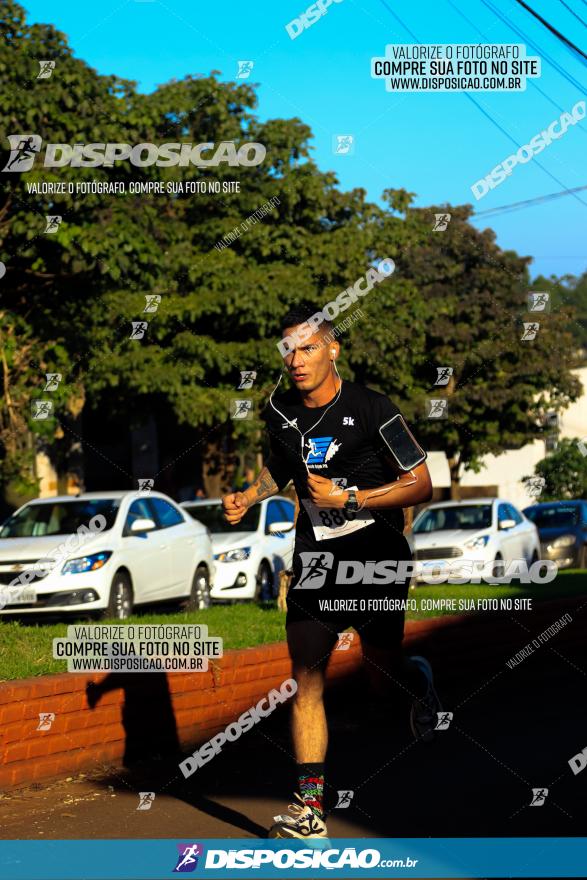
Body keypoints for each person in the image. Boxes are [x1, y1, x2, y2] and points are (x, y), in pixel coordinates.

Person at [221, 303, 441, 840]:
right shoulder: (279, 411)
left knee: (381, 672)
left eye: (308, 347)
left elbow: (420, 483)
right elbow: (283, 464)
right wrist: (250, 496)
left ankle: (417, 680)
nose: (297, 359)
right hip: (316, 558)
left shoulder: (372, 409)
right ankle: (309, 810)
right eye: (289, 350)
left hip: (377, 555)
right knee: (307, 677)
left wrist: (355, 497)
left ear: (333, 349)